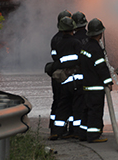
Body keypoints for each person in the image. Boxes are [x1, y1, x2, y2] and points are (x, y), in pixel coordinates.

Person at [50, 16, 84, 140]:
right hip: (76, 79)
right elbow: (81, 60)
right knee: (77, 106)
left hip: (64, 81)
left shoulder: (58, 43)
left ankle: (56, 131)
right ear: (73, 29)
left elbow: (56, 61)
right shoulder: (76, 43)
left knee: (63, 106)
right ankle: (76, 131)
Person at [79, 18, 114, 143]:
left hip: (86, 86)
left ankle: (83, 134)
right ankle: (93, 136)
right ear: (100, 33)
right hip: (96, 87)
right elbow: (101, 67)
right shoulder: (96, 49)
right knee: (95, 112)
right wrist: (108, 81)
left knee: (86, 111)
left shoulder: (86, 47)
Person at [47, 10, 72, 140]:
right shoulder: (69, 41)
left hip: (57, 75)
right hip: (65, 75)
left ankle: (54, 128)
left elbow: (55, 56)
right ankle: (65, 129)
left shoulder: (55, 39)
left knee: (57, 101)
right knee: (66, 102)